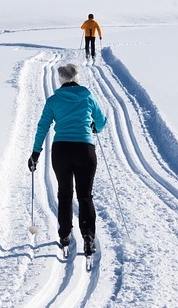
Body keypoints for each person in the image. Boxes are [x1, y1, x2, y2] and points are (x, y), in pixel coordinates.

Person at [28, 63, 107, 257]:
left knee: (64, 194)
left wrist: (35, 154)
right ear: (76, 77)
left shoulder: (54, 100)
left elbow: (42, 127)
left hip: (61, 150)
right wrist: (94, 127)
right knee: (85, 196)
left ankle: (64, 236)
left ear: (61, 79)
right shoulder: (87, 95)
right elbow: (101, 120)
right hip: (85, 150)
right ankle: (88, 237)